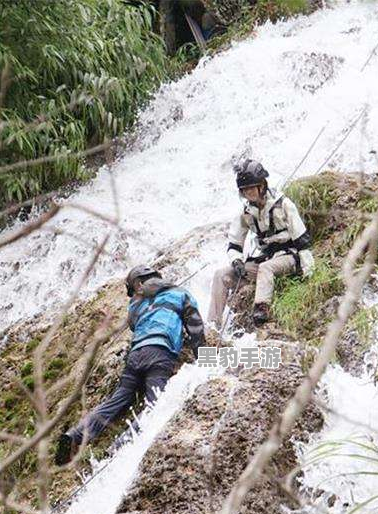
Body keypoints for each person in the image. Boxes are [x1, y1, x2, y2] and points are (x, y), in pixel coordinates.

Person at [55, 265, 205, 466]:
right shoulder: (179, 293)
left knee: (118, 398)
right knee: (157, 405)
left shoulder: (135, 306)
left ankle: (76, 434)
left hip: (135, 356)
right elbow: (195, 324)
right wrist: (202, 356)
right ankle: (121, 447)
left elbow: (134, 325)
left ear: (137, 284)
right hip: (160, 353)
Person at [207, 158, 314, 328]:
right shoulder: (246, 213)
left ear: (262, 185)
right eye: (244, 189)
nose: (248, 193)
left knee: (266, 268)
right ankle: (213, 325)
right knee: (221, 275)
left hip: (290, 259)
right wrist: (237, 261)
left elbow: (302, 241)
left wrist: (309, 274)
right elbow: (234, 244)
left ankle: (261, 310)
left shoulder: (284, 204)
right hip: (266, 261)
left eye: (251, 188)